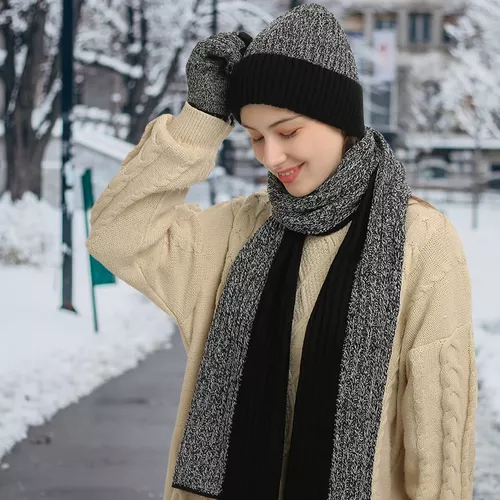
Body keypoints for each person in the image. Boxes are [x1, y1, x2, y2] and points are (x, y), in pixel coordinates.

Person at [87, 4, 477, 500]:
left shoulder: (421, 242)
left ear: (340, 121)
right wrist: (201, 120)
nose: (270, 157)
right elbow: (118, 233)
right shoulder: (237, 233)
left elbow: (438, 451)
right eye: (254, 137)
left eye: (288, 132)